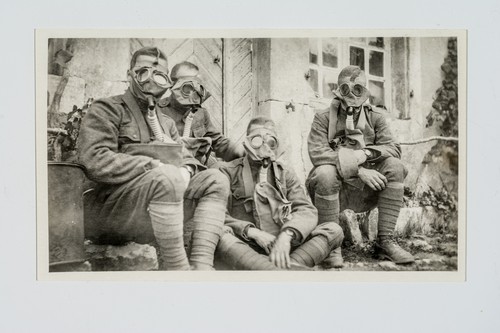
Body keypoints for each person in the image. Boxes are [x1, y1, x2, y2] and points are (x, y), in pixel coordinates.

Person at [77, 47, 229, 270]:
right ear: (130, 75)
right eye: (142, 71)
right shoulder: (107, 109)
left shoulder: (165, 122)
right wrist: (151, 165)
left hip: (153, 210)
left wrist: (186, 171)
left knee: (216, 179)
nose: (151, 79)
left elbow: (186, 158)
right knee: (167, 176)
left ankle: (202, 265)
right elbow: (94, 159)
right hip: (109, 213)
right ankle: (179, 269)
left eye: (159, 74)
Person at [306, 65, 415, 265]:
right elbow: (318, 153)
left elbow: (393, 148)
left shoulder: (375, 117)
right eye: (346, 89)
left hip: (365, 192)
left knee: (395, 166)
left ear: (365, 92)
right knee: (324, 173)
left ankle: (385, 242)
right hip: (335, 189)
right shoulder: (322, 118)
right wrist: (358, 170)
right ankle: (331, 245)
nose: (352, 95)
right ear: (338, 91)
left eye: (358, 89)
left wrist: (365, 154)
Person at [216, 116, 344, 270]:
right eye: (257, 139)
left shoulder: (284, 173)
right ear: (248, 141)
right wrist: (252, 232)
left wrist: (287, 235)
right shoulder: (227, 172)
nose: (264, 146)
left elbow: (305, 210)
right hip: (246, 243)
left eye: (270, 141)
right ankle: (287, 268)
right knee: (220, 236)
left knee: (333, 230)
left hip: (282, 245)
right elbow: (218, 215)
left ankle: (271, 267)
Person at [158, 61, 244, 166]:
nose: (192, 90)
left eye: (196, 84)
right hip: (169, 167)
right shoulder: (157, 110)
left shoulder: (200, 113)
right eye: (187, 84)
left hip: (197, 166)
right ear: (173, 84)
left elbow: (218, 141)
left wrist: (240, 150)